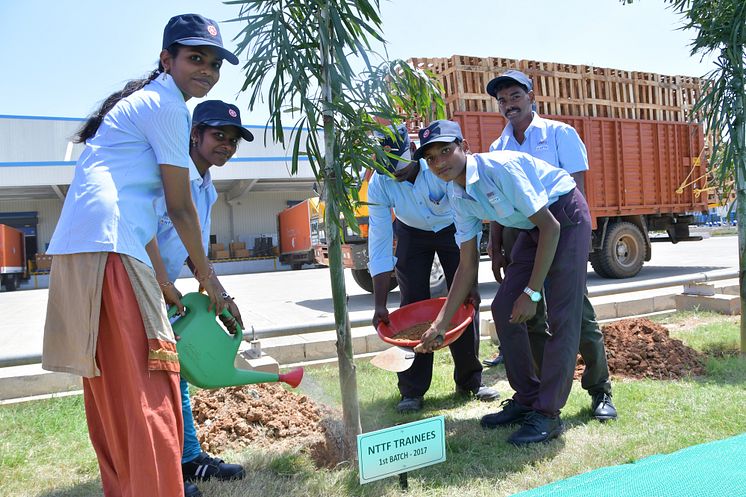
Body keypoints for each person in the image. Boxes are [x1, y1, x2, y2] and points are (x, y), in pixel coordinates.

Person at [42, 14, 238, 497]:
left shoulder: (143, 104)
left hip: (87, 248)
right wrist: (211, 283)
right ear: (165, 60)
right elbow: (178, 208)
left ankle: (135, 486)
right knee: (155, 383)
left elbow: (147, 212)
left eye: (214, 63)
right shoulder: (168, 106)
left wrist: (175, 284)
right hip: (111, 249)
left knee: (116, 391)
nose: (207, 70)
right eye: (196, 58)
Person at [412, 120, 591, 446]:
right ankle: (527, 397)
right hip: (533, 226)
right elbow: (466, 266)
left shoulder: (501, 168)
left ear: (464, 146)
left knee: (563, 317)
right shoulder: (457, 194)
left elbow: (551, 228)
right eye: (431, 158)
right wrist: (440, 323)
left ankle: (548, 414)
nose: (439, 162)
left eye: (445, 150)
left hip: (563, 215)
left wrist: (532, 292)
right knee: (503, 306)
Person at [485, 70, 617, 422]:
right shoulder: (499, 147)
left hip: (563, 230)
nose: (508, 105)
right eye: (502, 101)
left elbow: (577, 191)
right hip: (522, 235)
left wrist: (577, 241)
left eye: (515, 96)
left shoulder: (560, 134)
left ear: (531, 96)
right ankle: (543, 389)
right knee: (529, 315)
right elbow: (498, 201)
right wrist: (496, 245)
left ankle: (599, 389)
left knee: (576, 314)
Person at [151, 101, 253, 496]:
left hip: (164, 289)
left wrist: (219, 293)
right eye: (218, 135)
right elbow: (140, 233)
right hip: (139, 285)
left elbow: (195, 253)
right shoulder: (170, 178)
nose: (226, 144)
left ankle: (189, 459)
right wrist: (162, 282)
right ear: (194, 135)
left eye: (232, 139)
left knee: (178, 379)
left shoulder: (207, 188)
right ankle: (161, 472)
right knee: (155, 382)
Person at [368, 124, 499, 413]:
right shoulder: (379, 182)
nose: (397, 179)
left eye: (401, 172)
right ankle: (412, 390)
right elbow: (379, 242)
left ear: (413, 152)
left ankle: (470, 380)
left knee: (464, 301)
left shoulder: (440, 166)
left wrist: (473, 282)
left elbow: (471, 219)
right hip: (411, 233)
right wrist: (379, 304)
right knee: (410, 306)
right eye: (392, 175)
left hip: (455, 227)